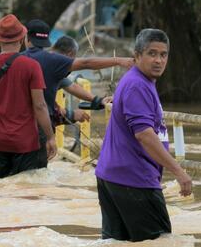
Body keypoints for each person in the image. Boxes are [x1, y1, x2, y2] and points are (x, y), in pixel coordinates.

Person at [94, 28, 193, 242]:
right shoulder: (137, 86)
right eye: (152, 53)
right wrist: (178, 171)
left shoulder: (138, 82)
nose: (158, 60)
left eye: (163, 54)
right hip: (134, 180)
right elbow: (145, 135)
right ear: (137, 56)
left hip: (114, 176)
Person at [22, 19, 134, 166]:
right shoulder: (52, 62)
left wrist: (96, 100)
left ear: (26, 38)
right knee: (35, 178)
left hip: (12, 127)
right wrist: (118, 60)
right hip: (39, 129)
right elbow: (86, 63)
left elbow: (71, 86)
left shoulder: (16, 60)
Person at [0, 14, 56, 180]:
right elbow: (39, 106)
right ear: (22, 39)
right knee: (24, 196)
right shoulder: (32, 67)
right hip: (26, 143)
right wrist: (50, 138)